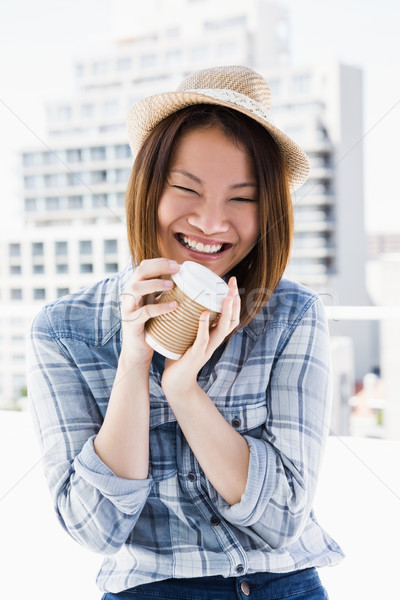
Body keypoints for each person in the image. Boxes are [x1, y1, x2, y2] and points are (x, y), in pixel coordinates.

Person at [27, 65, 344, 599]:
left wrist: (183, 388)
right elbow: (94, 528)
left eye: (242, 198)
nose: (212, 223)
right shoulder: (66, 330)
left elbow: (283, 516)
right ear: (147, 188)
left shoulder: (292, 314)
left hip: (284, 584)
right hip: (150, 589)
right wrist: (133, 363)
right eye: (186, 189)